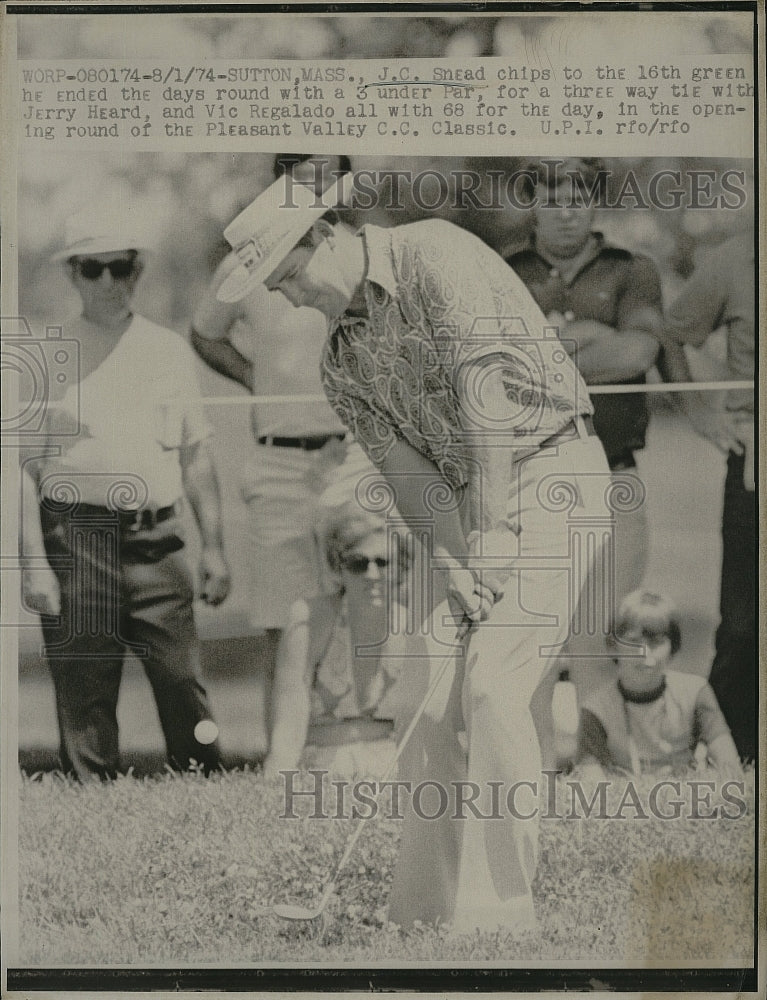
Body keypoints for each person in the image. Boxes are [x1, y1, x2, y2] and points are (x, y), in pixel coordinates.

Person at [217, 173, 611, 935]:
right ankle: (423, 918)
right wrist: (458, 561)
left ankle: (497, 925)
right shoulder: (341, 361)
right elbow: (409, 476)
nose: (288, 298)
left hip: (553, 470)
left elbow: (484, 396)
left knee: (495, 687)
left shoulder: (432, 251)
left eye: (289, 275)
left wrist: (493, 538)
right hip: (469, 505)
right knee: (428, 699)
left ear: (325, 233)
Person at [21, 210, 231, 781]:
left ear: (138, 271)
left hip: (158, 539)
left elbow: (197, 456)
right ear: (72, 275)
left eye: (121, 268)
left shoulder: (166, 350)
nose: (109, 282)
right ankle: (93, 789)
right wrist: (34, 564)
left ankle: (201, 782)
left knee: (181, 679)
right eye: (93, 269)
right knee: (84, 684)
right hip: (74, 534)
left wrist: (214, 549)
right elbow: (20, 468)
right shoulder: (47, 355)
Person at [190, 154, 373, 723]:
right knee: (287, 622)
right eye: (299, 170)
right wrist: (255, 378)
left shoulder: (362, 251)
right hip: (278, 461)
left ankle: (368, 746)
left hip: (357, 454)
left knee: (369, 613)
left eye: (327, 172)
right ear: (277, 178)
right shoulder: (244, 263)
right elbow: (205, 335)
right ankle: (283, 766)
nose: (313, 183)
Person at [506, 158, 665, 737]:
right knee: (533, 632)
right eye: (552, 199)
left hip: (614, 471)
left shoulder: (633, 270)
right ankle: (536, 769)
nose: (566, 211)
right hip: (527, 474)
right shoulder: (504, 270)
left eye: (578, 198)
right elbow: (496, 370)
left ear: (595, 203)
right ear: (533, 205)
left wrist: (545, 354)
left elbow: (636, 355)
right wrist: (592, 340)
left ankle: (599, 764)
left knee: (599, 631)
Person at [659, 227, 756, 763]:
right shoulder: (735, 258)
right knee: (743, 623)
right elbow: (670, 335)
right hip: (755, 462)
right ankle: (729, 756)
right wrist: (698, 410)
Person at [263, 504, 410, 779]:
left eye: (383, 562)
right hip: (323, 767)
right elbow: (287, 724)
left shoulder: (414, 628)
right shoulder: (309, 619)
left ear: (401, 566)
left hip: (394, 768)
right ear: (338, 567)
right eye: (358, 564)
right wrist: (276, 782)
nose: (372, 575)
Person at [576, 590, 743, 778]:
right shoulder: (595, 709)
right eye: (633, 642)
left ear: (673, 647)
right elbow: (591, 783)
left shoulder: (695, 692)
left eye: (656, 642)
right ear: (613, 646)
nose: (644, 653)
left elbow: (730, 767)